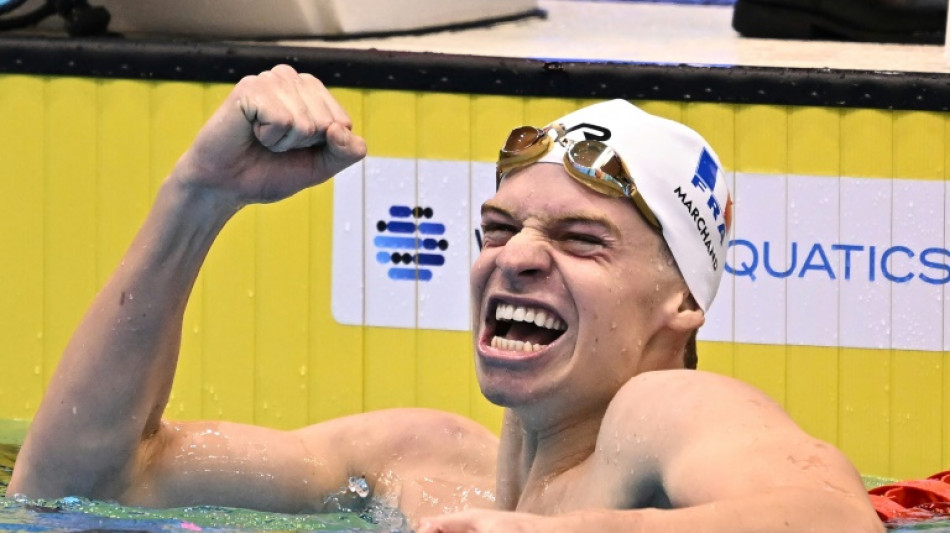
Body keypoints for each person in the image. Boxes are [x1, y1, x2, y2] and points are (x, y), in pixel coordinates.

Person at [9, 64, 883, 533]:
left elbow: (835, 523)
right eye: (500, 228)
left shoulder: (664, 412)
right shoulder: (415, 463)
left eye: (582, 240)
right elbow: (76, 489)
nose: (518, 259)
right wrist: (197, 197)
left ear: (681, 305)